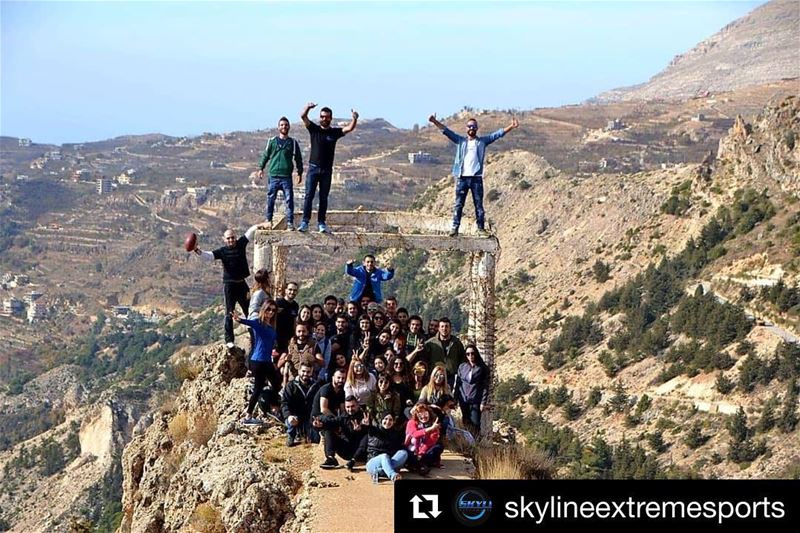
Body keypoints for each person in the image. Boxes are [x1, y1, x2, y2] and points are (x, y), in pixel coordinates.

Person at [428, 113, 519, 236]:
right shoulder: (461, 141)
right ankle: (455, 228)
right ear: (466, 128)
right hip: (462, 178)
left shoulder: (482, 142)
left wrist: (511, 127)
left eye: (474, 126)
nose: (471, 128)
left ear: (477, 128)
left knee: (478, 205)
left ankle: (480, 229)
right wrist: (434, 121)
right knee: (459, 204)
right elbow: (446, 131)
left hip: (476, 178)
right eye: (469, 126)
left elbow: (496, 135)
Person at [195, 223, 261, 349]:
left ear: (235, 237)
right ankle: (229, 340)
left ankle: (254, 336)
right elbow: (209, 256)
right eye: (228, 238)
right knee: (229, 312)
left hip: (242, 283)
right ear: (224, 240)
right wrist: (197, 250)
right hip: (229, 286)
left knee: (250, 310)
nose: (231, 240)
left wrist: (261, 225)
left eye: (232, 237)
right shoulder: (222, 251)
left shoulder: (241, 244)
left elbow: (250, 231)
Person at [299, 102, 358, 233]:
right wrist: (308, 108)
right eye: (322, 116)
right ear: (320, 117)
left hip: (326, 170)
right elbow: (303, 117)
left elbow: (349, 128)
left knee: (323, 197)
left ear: (330, 118)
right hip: (313, 169)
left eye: (327, 117)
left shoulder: (334, 132)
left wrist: (354, 118)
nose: (324, 119)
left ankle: (321, 223)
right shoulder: (314, 129)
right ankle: (305, 222)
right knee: (309, 196)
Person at [232, 302, 279, 425]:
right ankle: (248, 416)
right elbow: (249, 323)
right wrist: (239, 319)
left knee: (276, 383)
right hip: (258, 361)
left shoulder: (271, 327)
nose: (271, 312)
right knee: (258, 388)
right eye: (268, 309)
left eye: (273, 310)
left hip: (267, 360)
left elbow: (270, 343)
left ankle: (272, 407)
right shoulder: (259, 323)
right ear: (264, 310)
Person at [257, 116, 303, 230]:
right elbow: (266, 155)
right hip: (273, 176)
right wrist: (261, 168)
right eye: (282, 125)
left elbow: (298, 159)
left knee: (289, 200)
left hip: (286, 177)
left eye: (286, 125)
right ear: (278, 127)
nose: (284, 127)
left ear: (289, 127)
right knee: (271, 199)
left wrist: (299, 173)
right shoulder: (272, 141)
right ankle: (268, 220)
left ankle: (290, 223)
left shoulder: (292, 143)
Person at [318, 395, 369, 470]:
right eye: (348, 407)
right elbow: (332, 421)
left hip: (360, 453)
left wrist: (363, 428)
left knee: (367, 435)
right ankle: (331, 458)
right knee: (328, 430)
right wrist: (320, 421)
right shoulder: (344, 416)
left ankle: (353, 460)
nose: (350, 409)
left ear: (357, 405)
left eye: (352, 406)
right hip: (346, 450)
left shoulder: (364, 416)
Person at [281, 361, 322, 446]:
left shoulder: (316, 386)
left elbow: (319, 403)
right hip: (294, 416)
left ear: (312, 372)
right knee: (292, 421)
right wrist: (288, 416)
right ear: (299, 371)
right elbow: (284, 403)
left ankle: (304, 433)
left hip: (310, 417)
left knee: (315, 440)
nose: (305, 374)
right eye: (303, 371)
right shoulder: (291, 385)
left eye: (308, 372)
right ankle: (291, 435)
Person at [453, 344, 490, 435]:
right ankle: (467, 442)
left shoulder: (482, 368)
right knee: (466, 421)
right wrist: (455, 399)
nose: (470, 356)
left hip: (475, 399)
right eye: (468, 354)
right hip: (463, 399)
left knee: (476, 423)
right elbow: (458, 383)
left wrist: (483, 402)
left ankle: (476, 443)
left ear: (476, 354)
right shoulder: (462, 367)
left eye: (472, 353)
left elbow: (485, 386)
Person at [365, 412, 408, 483]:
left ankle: (379, 472)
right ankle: (393, 475)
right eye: (385, 419)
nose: (388, 422)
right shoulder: (375, 430)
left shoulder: (395, 434)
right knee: (384, 456)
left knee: (403, 453)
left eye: (390, 420)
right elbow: (370, 428)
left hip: (388, 462)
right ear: (381, 420)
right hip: (373, 462)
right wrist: (367, 425)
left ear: (393, 422)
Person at [423, 317, 466, 386]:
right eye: (442, 326)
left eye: (446, 326)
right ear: (439, 328)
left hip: (452, 377)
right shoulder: (430, 343)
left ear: (450, 328)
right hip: (435, 376)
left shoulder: (456, 343)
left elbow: (463, 359)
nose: (444, 329)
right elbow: (425, 359)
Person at [405, 403, 443, 476]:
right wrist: (430, 429)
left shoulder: (434, 424)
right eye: (420, 413)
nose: (423, 416)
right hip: (411, 449)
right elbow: (414, 434)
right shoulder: (411, 422)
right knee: (405, 453)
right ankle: (420, 465)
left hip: (424, 451)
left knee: (438, 447)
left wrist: (421, 453)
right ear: (416, 415)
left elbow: (430, 442)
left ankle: (419, 465)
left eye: (425, 413)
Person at [275, 282, 300, 353]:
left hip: (289, 338)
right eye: (290, 289)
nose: (292, 292)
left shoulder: (295, 305)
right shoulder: (278, 303)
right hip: (277, 337)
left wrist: (295, 335)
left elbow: (295, 321)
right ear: (286, 290)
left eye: (295, 290)